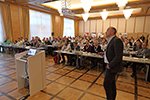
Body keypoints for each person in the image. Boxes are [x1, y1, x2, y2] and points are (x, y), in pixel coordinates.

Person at [103, 27, 123, 100]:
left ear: (112, 32)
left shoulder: (116, 40)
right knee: (111, 84)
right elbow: (111, 53)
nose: (106, 32)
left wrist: (110, 65)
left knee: (106, 84)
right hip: (109, 65)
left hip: (112, 66)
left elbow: (118, 56)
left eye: (107, 30)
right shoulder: (111, 40)